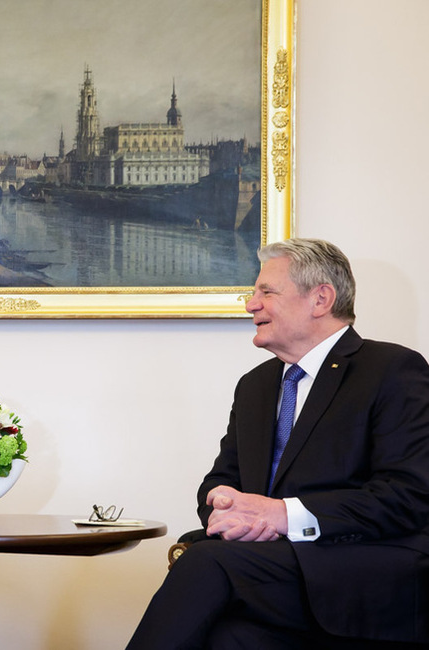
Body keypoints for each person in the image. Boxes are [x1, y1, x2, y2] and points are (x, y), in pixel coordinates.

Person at [128, 238, 429, 649]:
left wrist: (282, 515)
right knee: (227, 636)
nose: (251, 304)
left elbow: (409, 495)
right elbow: (218, 482)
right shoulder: (256, 386)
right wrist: (223, 504)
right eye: (254, 294)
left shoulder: (391, 370)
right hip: (271, 577)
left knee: (206, 562)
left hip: (358, 570)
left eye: (266, 292)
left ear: (320, 298)